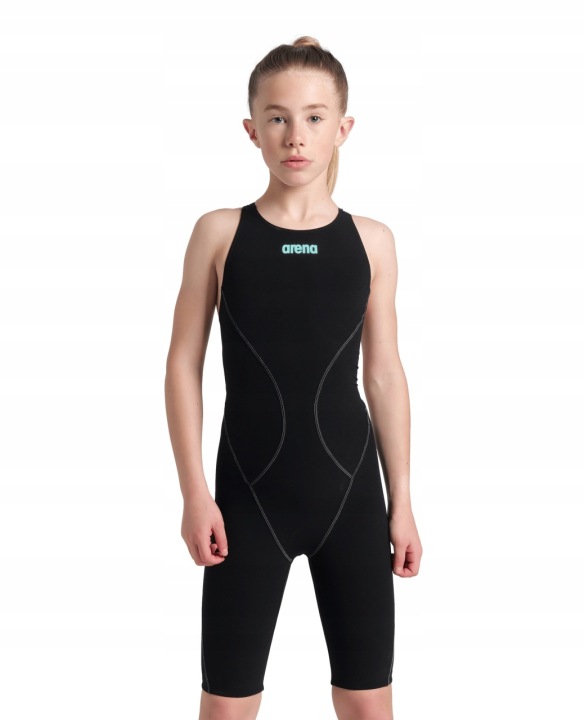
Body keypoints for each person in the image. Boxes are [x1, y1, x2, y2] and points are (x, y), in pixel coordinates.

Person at [164, 35, 422, 720]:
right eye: (276, 118)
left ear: (343, 129)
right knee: (226, 706)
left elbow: (385, 375)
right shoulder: (220, 232)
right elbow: (182, 365)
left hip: (351, 499)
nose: (295, 136)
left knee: (368, 705)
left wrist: (401, 503)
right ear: (252, 130)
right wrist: (194, 493)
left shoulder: (372, 240)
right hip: (245, 504)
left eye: (313, 117)